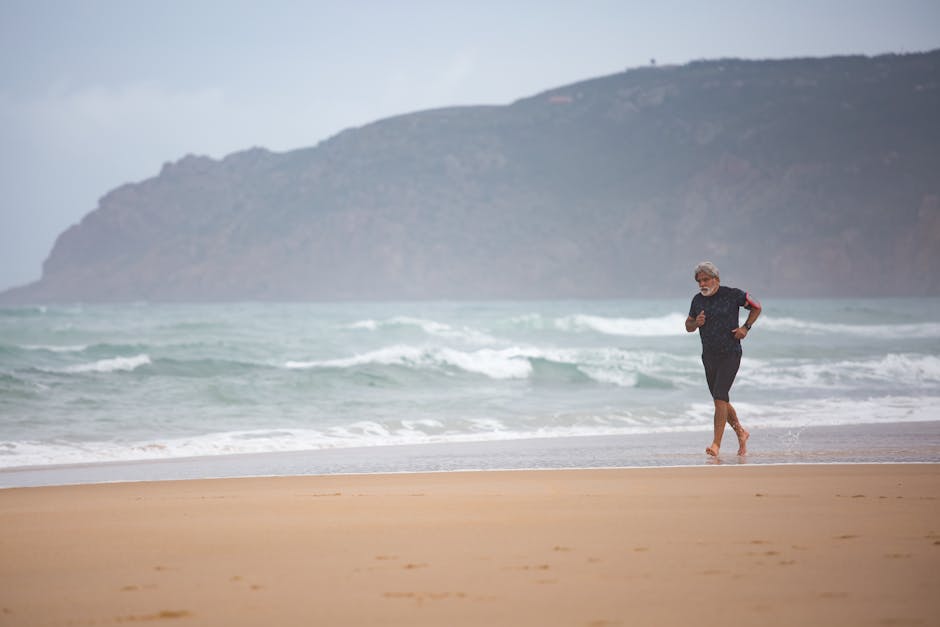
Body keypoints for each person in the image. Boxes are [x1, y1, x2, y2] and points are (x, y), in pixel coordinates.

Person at [684, 261, 761, 457]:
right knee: (721, 401)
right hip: (709, 355)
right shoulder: (697, 300)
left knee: (720, 396)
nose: (702, 284)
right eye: (699, 281)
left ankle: (716, 445)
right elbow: (688, 326)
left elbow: (756, 307)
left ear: (716, 279)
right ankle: (741, 433)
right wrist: (696, 322)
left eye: (706, 279)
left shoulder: (732, 295)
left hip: (730, 353)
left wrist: (745, 328)